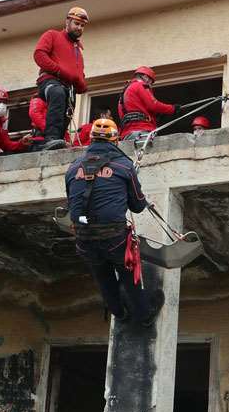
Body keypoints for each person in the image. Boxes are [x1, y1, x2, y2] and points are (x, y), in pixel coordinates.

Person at [64, 118, 164, 326]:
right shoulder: (124, 166)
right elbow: (137, 205)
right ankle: (144, 316)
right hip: (114, 237)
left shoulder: (73, 169)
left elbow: (73, 200)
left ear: (91, 138)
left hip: (83, 237)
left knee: (103, 277)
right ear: (115, 140)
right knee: (129, 276)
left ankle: (119, 313)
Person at [33, 6, 89, 150]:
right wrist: (60, 71)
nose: (79, 28)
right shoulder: (52, 35)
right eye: (76, 24)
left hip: (68, 87)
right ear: (67, 22)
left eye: (82, 26)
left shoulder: (78, 52)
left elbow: (79, 75)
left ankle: (58, 140)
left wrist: (81, 83)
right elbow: (39, 55)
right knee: (57, 95)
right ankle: (51, 138)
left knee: (67, 112)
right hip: (50, 81)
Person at [117, 66, 179, 141]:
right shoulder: (140, 85)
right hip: (142, 131)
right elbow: (153, 105)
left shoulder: (124, 93)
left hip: (127, 135)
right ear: (145, 77)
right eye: (151, 82)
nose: (150, 85)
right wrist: (172, 109)